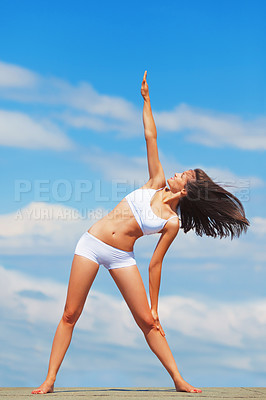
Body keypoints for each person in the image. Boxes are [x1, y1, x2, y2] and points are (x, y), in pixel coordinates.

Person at [32, 71, 249, 394]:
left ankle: (178, 379)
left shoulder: (171, 223)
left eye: (183, 175)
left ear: (187, 191)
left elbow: (155, 265)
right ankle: (49, 381)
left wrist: (155, 307)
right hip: (91, 244)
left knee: (147, 322)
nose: (176, 173)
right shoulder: (155, 181)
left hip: (121, 256)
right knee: (70, 313)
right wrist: (146, 101)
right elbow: (151, 137)